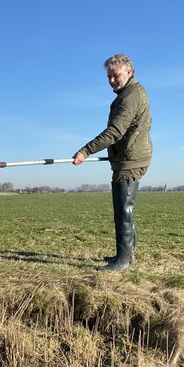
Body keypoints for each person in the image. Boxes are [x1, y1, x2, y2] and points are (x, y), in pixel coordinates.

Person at [73, 53, 152, 271]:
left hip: (130, 161)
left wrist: (86, 151)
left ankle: (123, 260)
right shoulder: (129, 93)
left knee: (123, 209)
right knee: (126, 209)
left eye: (116, 75)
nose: (112, 80)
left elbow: (115, 132)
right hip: (128, 158)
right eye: (108, 76)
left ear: (129, 72)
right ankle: (126, 254)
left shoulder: (131, 97)